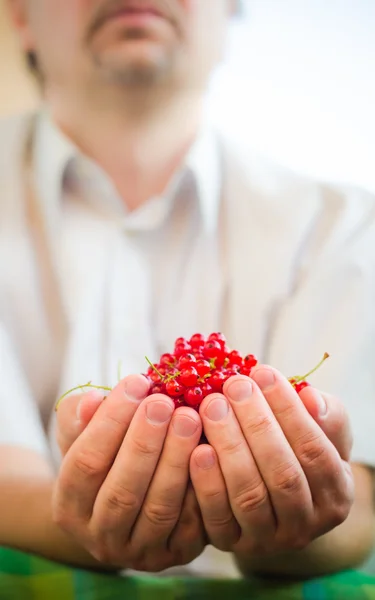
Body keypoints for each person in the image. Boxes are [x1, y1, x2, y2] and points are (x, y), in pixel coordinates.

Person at [1, 0, 374, 580]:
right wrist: (68, 517)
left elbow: (361, 501)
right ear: (20, 16)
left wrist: (296, 518)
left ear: (231, 14)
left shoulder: (347, 227)